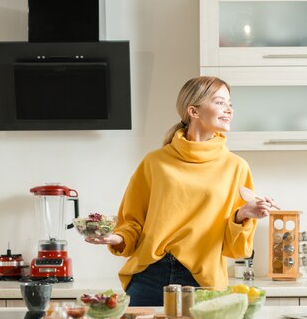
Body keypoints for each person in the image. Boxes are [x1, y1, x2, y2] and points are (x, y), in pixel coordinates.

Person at [85, 76, 274, 306]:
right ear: (193, 111)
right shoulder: (155, 162)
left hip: (203, 282)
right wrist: (115, 237)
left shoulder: (236, 167)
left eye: (230, 104)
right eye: (220, 103)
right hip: (149, 275)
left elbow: (235, 249)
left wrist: (242, 215)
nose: (229, 110)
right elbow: (133, 222)